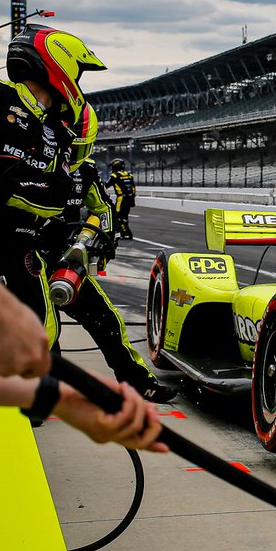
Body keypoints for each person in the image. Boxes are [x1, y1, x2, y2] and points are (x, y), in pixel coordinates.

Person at [0, 23, 106, 346]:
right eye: (78, 75)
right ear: (58, 64)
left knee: (43, 339)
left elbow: (56, 195)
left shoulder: (57, 134)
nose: (78, 86)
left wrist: (1, 190)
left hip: (17, 252)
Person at [0, 260, 166, 452]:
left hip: (50, 255)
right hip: (13, 255)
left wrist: (60, 397)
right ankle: (31, 398)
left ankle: (138, 382)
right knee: (43, 330)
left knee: (104, 319)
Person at [45, 149, 177, 403]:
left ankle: (138, 384)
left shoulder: (86, 169)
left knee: (108, 321)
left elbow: (103, 209)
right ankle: (44, 396)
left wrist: (102, 240)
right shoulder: (30, 155)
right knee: (45, 327)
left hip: (68, 261)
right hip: (30, 256)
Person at [106, 158, 137, 239]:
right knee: (124, 216)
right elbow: (133, 188)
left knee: (118, 216)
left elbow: (105, 185)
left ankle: (125, 233)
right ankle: (125, 233)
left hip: (121, 198)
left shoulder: (115, 176)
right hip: (130, 198)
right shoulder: (129, 175)